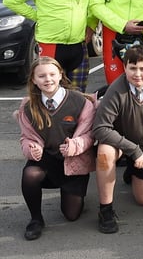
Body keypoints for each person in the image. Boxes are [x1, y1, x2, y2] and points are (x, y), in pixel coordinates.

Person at [14, 57, 96, 240]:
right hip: (46, 160)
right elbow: (26, 137)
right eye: (41, 76)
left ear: (60, 75)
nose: (47, 79)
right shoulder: (28, 106)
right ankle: (36, 219)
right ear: (34, 80)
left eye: (52, 74)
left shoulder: (81, 102)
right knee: (30, 174)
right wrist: (31, 148)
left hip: (73, 161)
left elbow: (90, 135)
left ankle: (74, 190)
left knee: (71, 215)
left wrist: (74, 146)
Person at [93, 45, 143, 234]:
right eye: (132, 68)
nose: (137, 74)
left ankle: (131, 170)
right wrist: (133, 150)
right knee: (104, 154)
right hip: (122, 144)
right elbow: (100, 128)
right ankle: (106, 210)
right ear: (124, 67)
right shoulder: (115, 90)